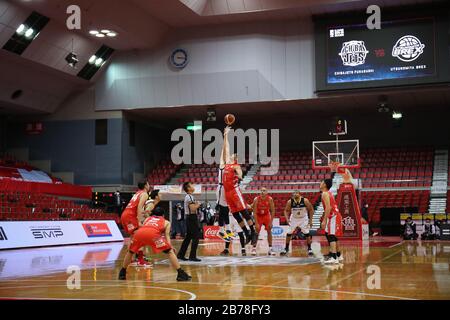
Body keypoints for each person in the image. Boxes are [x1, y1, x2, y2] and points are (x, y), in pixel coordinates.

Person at [118, 207, 191, 281]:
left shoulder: (147, 219)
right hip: (153, 234)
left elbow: (145, 229)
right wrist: (170, 247)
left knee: (130, 252)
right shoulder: (167, 222)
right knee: (169, 251)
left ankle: (122, 272)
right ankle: (180, 273)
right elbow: (167, 235)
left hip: (139, 233)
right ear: (163, 215)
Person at [221, 126, 256, 245]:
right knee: (235, 214)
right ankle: (246, 233)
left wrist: (240, 175)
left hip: (235, 191)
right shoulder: (226, 164)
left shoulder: (235, 166)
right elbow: (226, 148)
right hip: (227, 192)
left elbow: (240, 172)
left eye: (232, 156)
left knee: (244, 212)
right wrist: (225, 135)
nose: (230, 156)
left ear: (235, 158)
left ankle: (253, 232)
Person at [120, 180, 150, 266]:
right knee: (140, 236)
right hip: (130, 217)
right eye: (148, 184)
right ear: (145, 185)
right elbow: (139, 207)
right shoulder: (144, 194)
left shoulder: (137, 193)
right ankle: (140, 260)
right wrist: (139, 220)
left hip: (125, 215)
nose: (149, 186)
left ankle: (131, 259)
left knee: (133, 237)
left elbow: (138, 207)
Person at [281, 191, 314, 256]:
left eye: (296, 193)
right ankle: (286, 248)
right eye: (294, 193)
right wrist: (287, 219)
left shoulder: (305, 200)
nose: (295, 194)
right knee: (289, 232)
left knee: (306, 232)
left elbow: (311, 209)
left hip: (303, 218)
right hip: (294, 218)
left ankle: (309, 248)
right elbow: (286, 210)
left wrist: (310, 220)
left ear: (299, 194)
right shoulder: (290, 202)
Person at [320, 179, 344, 265]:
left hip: (333, 216)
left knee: (331, 236)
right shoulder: (329, 193)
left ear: (325, 185)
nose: (320, 183)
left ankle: (334, 258)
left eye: (322, 182)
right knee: (329, 234)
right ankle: (338, 255)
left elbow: (328, 208)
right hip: (334, 215)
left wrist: (324, 220)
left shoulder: (325, 194)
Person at [177, 181, 202, 262]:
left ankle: (181, 254)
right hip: (191, 218)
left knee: (188, 238)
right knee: (196, 237)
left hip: (189, 218)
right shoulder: (189, 197)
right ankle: (192, 256)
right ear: (188, 188)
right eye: (191, 185)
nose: (193, 186)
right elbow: (193, 209)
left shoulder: (189, 196)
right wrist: (198, 204)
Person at [251, 187, 276, 256]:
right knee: (257, 231)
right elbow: (254, 212)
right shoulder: (256, 199)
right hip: (258, 215)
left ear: (267, 192)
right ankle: (254, 248)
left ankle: (270, 248)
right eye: (261, 191)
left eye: (264, 191)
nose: (262, 192)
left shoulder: (270, 199)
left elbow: (273, 210)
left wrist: (271, 222)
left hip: (266, 215)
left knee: (269, 230)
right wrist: (256, 223)